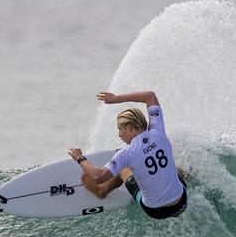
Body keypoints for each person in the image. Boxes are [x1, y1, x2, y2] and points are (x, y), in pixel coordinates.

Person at [68, 90, 187, 219]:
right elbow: (150, 96)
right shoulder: (158, 131)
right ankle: (188, 172)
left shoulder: (125, 154)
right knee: (176, 170)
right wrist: (116, 98)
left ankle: (101, 191)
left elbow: (98, 176)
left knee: (122, 169)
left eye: (120, 129)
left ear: (129, 127)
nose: (119, 135)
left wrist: (80, 158)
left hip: (155, 211)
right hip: (181, 202)